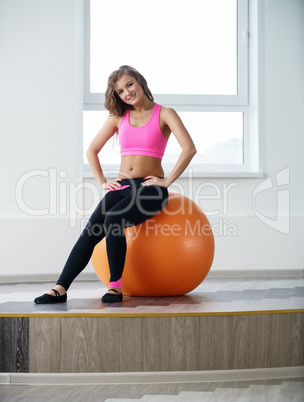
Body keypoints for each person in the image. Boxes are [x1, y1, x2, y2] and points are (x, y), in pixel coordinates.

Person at [34, 65, 197, 304]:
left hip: (149, 189)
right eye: (120, 91)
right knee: (91, 231)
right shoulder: (119, 117)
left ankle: (115, 287)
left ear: (140, 82)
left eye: (129, 84)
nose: (126, 93)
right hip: (122, 187)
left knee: (113, 219)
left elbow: (189, 148)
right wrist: (102, 181)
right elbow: (92, 150)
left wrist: (167, 180)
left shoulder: (164, 113)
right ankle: (60, 288)